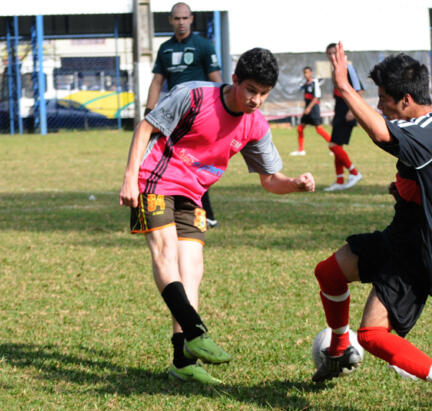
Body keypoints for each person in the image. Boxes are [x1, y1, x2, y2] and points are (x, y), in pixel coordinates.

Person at [119, 48, 315, 384]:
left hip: (194, 195)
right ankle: (196, 331)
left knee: (192, 269)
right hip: (154, 180)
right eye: (251, 90)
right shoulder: (194, 96)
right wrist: (128, 178)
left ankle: (182, 361)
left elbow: (270, 180)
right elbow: (145, 129)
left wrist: (295, 184)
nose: (256, 100)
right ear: (235, 80)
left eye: (264, 94)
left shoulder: (255, 124)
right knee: (165, 253)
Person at [312, 44, 432, 411]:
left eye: (384, 99)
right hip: (398, 235)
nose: (380, 105)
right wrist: (406, 185)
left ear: (406, 99)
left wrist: (344, 89)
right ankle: (338, 352)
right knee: (329, 273)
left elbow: (384, 135)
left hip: (417, 252)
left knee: (370, 334)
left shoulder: (428, 132)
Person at [147, 2, 222, 227]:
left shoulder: (204, 46)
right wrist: (149, 113)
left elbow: (217, 81)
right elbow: (157, 81)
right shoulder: (165, 48)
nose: (181, 22)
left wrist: (219, 114)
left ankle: (204, 213)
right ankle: (200, 213)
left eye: (185, 18)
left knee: (192, 163)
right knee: (177, 162)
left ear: (191, 19)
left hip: (198, 114)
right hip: (173, 115)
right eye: (177, 18)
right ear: (170, 20)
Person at [323, 43, 363, 191]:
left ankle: (354, 172)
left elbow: (359, 90)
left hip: (347, 112)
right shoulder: (335, 70)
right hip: (339, 112)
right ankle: (339, 181)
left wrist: (353, 110)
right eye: (330, 54)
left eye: (335, 52)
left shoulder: (348, 68)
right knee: (336, 145)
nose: (333, 56)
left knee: (333, 146)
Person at [289, 66, 331, 156]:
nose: (306, 74)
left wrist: (308, 108)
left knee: (319, 130)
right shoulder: (305, 84)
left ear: (311, 73)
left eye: (308, 72)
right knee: (300, 128)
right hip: (307, 110)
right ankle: (301, 150)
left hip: (314, 109)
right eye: (305, 73)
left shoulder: (315, 83)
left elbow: (316, 97)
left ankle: (334, 146)